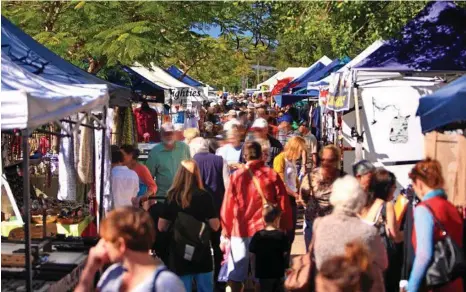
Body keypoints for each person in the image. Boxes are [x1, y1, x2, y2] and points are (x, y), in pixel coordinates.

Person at [221, 141, 293, 292]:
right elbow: (283, 202)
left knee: (236, 273)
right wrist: (285, 227)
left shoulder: (237, 176)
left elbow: (228, 205)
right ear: (261, 155)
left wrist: (226, 229)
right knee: (262, 274)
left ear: (244, 156)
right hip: (264, 229)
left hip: (240, 229)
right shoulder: (270, 174)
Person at [75, 207, 185, 292]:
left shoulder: (166, 284)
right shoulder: (113, 273)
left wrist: (89, 272)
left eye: (106, 240)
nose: (101, 245)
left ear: (121, 245)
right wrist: (90, 270)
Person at [313, 175, 388, 292]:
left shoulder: (319, 225)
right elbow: (383, 264)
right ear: (360, 200)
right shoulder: (368, 231)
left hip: (326, 287)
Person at [158, 160, 219, 292]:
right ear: (197, 174)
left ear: (179, 174)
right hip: (201, 249)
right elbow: (215, 226)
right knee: (205, 287)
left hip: (179, 249)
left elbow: (161, 226)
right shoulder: (204, 196)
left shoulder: (172, 196)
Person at [404, 159, 463, 292]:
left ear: (419, 183)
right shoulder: (451, 207)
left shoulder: (424, 209)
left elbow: (424, 255)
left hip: (435, 284)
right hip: (456, 282)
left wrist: (412, 288)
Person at [189, 137, 230, 289]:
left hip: (196, 213)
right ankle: (219, 280)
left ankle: (198, 281)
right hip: (218, 211)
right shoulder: (220, 160)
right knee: (218, 246)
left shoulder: (190, 162)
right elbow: (228, 186)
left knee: (198, 246)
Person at [359, 168, 403, 292]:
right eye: (393, 188)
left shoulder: (362, 202)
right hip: (381, 255)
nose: (394, 192)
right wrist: (408, 233)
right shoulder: (387, 205)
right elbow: (394, 235)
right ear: (386, 188)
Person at [300, 144, 345, 250]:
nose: (328, 163)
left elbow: (303, 198)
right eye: (325, 159)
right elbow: (303, 196)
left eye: (331, 160)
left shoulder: (344, 178)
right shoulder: (311, 177)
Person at [273, 136, 307, 251]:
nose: (300, 153)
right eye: (300, 150)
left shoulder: (291, 161)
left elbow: (294, 180)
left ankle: (286, 261)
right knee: (285, 232)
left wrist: (299, 191)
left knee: (290, 232)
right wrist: (295, 194)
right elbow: (281, 182)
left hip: (292, 197)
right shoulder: (280, 159)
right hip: (284, 198)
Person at [146, 122, 191, 200]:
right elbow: (149, 176)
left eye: (171, 133)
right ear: (161, 135)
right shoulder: (155, 152)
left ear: (174, 133)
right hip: (163, 196)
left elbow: (190, 168)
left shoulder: (184, 148)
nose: (169, 136)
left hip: (183, 195)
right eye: (166, 134)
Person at [249, 205, 289, 292]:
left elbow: (252, 255)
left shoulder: (257, 236)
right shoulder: (282, 235)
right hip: (278, 275)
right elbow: (285, 254)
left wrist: (253, 274)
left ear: (263, 219)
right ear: (276, 219)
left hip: (263, 276)